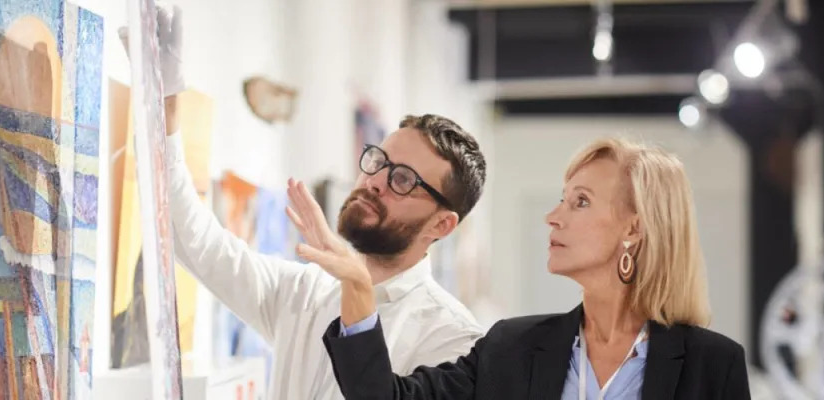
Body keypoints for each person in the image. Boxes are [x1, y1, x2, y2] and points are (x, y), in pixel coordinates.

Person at [134, 6, 489, 399]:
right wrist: (163, 108)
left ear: (442, 225)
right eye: (378, 161)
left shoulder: (453, 340)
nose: (374, 182)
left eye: (402, 179)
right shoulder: (308, 291)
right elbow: (193, 242)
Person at [292, 138, 751, 399]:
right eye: (561, 197)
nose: (554, 216)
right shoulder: (511, 346)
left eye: (581, 202)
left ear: (635, 227)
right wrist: (357, 284)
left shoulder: (712, 366)